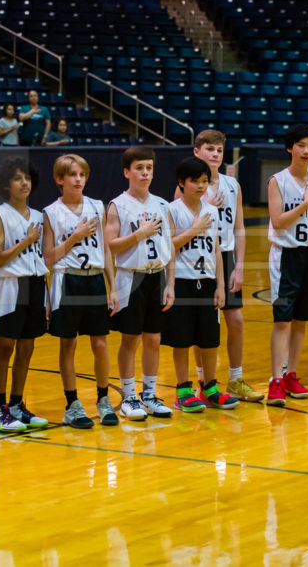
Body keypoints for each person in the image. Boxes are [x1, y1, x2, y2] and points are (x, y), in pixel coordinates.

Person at [42, 154, 119, 429]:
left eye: (82, 174)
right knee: (69, 343)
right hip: (67, 281)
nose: (78, 179)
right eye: (72, 175)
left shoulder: (97, 206)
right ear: (60, 179)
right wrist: (75, 237)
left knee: (100, 342)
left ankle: (103, 399)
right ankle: (72, 404)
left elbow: (106, 249)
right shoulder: (50, 212)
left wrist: (113, 286)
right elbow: (48, 258)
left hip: (95, 280)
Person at [188, 130, 264, 402]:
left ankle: (235, 379)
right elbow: (182, 227)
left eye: (219, 150)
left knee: (236, 320)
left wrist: (240, 265)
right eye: (209, 149)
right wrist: (203, 205)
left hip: (228, 256)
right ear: (197, 152)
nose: (215, 154)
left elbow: (240, 227)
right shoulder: (188, 185)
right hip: (200, 259)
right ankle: (202, 380)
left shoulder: (233, 185)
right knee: (203, 324)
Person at [105, 146, 176, 420]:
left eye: (149, 168)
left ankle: (148, 394)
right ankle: (128, 396)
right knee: (131, 338)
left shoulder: (162, 204)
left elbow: (169, 246)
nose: (145, 173)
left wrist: (170, 283)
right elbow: (110, 246)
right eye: (139, 168)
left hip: (156, 275)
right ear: (127, 172)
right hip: (129, 277)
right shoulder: (117, 205)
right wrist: (140, 234)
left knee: (154, 339)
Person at [165, 157, 237, 411]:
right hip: (183, 282)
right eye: (195, 181)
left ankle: (210, 388)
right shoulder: (171, 210)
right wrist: (170, 285)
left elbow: (216, 249)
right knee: (182, 340)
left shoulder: (211, 211)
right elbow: (168, 246)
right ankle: (183, 390)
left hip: (207, 283)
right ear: (181, 183)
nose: (201, 185)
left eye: (205, 181)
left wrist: (220, 286)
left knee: (209, 339)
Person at [0, 156, 49, 432]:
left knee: (27, 346)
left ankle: (16, 404)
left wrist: (47, 298)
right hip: (11, 286)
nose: (24, 182)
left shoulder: (39, 216)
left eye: (27, 177)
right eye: (17, 178)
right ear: (6, 185)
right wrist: (27, 240)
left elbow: (43, 258)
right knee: (6, 346)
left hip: (35, 283)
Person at [267, 124, 308, 406]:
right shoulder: (277, 181)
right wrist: (304, 205)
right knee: (282, 320)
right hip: (285, 255)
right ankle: (275, 380)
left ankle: (291, 375)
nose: (306, 151)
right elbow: (278, 221)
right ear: (290, 148)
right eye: (301, 145)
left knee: (301, 319)